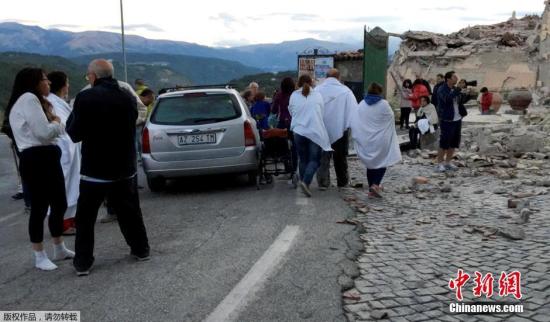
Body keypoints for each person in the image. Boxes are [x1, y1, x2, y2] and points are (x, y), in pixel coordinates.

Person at [67, 59, 150, 276]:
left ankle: (83, 262)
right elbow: (134, 121)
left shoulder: (85, 97)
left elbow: (74, 133)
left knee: (85, 218)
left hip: (95, 169)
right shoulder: (127, 97)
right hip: (125, 166)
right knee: (130, 212)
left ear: (93, 76)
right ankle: (141, 249)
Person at [6, 68, 74, 270]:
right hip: (36, 157)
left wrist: (53, 125)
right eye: (45, 80)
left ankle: (59, 247)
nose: (49, 83)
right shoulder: (28, 99)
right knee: (39, 207)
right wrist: (57, 123)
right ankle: (39, 254)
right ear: (34, 82)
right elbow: (44, 133)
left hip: (47, 155)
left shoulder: (37, 101)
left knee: (59, 203)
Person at [351, 82, 401, 198]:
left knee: (370, 164)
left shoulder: (362, 104)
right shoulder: (384, 104)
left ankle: (371, 189)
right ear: (380, 92)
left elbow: (355, 119)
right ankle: (375, 184)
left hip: (366, 139)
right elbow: (390, 117)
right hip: (381, 138)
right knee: (382, 162)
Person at [47, 71, 81, 235]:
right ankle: (62, 223)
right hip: (64, 151)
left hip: (70, 149)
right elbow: (60, 127)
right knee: (64, 187)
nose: (68, 86)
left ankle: (69, 220)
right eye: (67, 82)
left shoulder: (58, 102)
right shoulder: (51, 103)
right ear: (62, 85)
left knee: (71, 185)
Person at [289, 74, 331, 197]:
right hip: (314, 131)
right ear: (311, 82)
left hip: (299, 131)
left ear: (299, 83)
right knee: (315, 160)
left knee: (303, 159)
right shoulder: (318, 95)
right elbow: (321, 113)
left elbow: (291, 111)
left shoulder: (293, 95)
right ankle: (305, 182)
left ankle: (304, 182)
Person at [315, 69, 357, 190]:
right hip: (340, 130)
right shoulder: (346, 91)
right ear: (338, 78)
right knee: (340, 158)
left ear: (326, 77)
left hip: (321, 129)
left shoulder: (317, 90)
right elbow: (354, 111)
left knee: (323, 157)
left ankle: (323, 182)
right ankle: (342, 182)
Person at [436, 71, 466, 172]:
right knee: (444, 142)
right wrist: (458, 89)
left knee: (454, 142)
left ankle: (448, 162)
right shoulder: (442, 89)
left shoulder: (454, 89)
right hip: (447, 119)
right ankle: (440, 163)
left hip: (457, 119)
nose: (456, 78)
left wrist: (466, 94)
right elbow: (447, 100)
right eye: (454, 76)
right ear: (448, 79)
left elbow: (460, 102)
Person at [271, 77, 298, 175]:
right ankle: (294, 168)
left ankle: (287, 166)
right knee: (295, 146)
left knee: (282, 145)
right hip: (294, 122)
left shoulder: (279, 95)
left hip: (282, 122)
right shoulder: (296, 95)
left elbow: (273, 110)